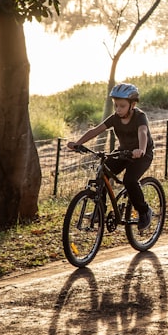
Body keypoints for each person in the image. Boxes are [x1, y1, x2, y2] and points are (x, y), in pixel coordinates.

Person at [68, 83, 154, 229]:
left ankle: (144, 211)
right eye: (116, 105)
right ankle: (99, 211)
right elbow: (95, 130)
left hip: (142, 155)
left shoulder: (140, 116)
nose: (118, 109)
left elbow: (142, 132)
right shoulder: (114, 118)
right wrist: (78, 143)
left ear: (132, 105)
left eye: (122, 106)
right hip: (123, 153)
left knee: (129, 180)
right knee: (102, 173)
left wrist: (141, 149)